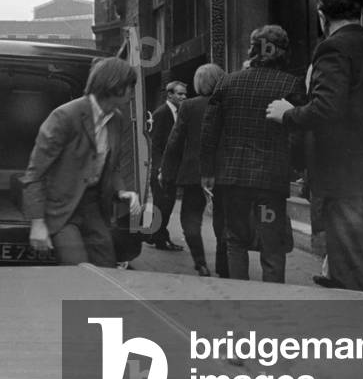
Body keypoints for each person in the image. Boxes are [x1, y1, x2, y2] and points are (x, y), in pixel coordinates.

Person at [266, 0, 363, 292]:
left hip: (349, 181)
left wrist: (288, 113)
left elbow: (327, 108)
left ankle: (362, 337)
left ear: (322, 17)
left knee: (354, 274)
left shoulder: (332, 48)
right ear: (360, 12)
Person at [201, 25, 305, 283]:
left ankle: (240, 297)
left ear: (252, 49)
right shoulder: (291, 84)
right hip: (271, 179)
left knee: (235, 240)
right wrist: (297, 167)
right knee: (272, 243)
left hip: (233, 179)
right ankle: (273, 300)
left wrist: (207, 171)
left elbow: (209, 131)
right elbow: (300, 132)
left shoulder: (227, 82)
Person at [23, 57, 142, 267]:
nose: (133, 92)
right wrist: (37, 223)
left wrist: (122, 191)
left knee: (107, 268)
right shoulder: (65, 116)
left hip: (92, 207)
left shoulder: (116, 119)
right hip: (60, 208)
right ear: (114, 85)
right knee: (77, 270)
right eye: (130, 86)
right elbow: (35, 173)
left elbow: (111, 167)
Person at [161, 63, 227, 277]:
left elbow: (175, 141)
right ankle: (223, 264)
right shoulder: (228, 104)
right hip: (224, 171)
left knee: (190, 218)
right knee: (223, 219)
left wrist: (167, 171)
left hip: (193, 172)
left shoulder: (188, 106)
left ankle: (200, 262)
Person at [145, 80, 188, 251]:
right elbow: (155, 144)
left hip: (171, 167)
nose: (184, 97)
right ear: (169, 95)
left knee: (164, 204)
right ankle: (159, 238)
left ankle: (154, 235)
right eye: (180, 94)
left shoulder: (178, 112)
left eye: (185, 94)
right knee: (163, 204)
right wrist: (158, 168)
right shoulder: (162, 113)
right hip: (162, 168)